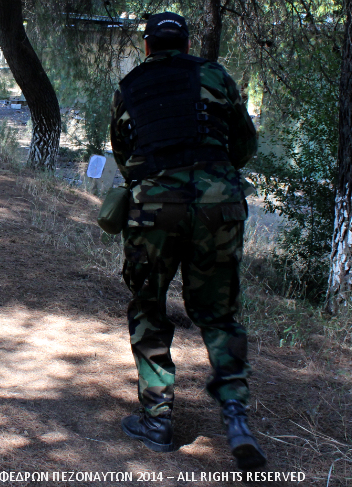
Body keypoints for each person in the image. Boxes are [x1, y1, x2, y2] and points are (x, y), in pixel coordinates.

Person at [110, 12, 265, 469]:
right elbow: (244, 144)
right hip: (219, 204)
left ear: (148, 46)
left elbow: (124, 155)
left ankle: (157, 420)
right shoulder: (215, 76)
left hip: (156, 205)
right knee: (219, 314)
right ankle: (236, 418)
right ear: (187, 42)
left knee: (149, 306)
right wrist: (210, 171)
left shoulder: (131, 86)